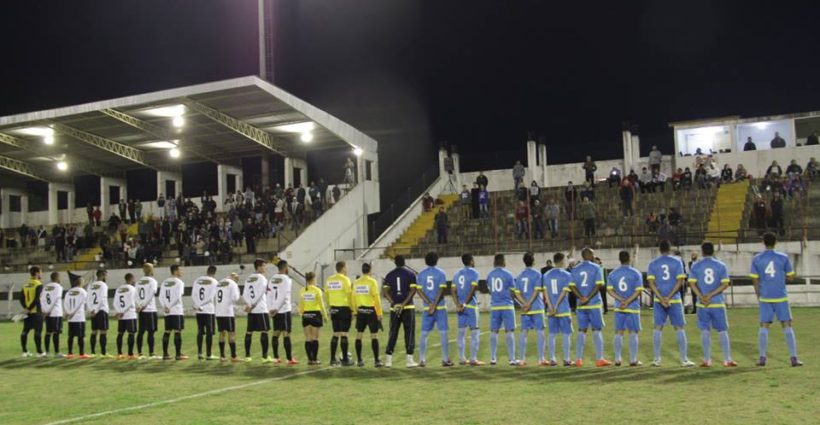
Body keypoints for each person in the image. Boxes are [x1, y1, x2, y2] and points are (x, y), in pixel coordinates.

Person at [750, 233, 802, 367]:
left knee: (764, 326)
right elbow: (791, 277)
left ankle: (762, 358)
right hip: (780, 296)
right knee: (786, 325)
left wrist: (758, 295)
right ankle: (793, 358)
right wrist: (780, 277)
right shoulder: (783, 257)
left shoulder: (757, 258)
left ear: (763, 242)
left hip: (765, 297)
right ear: (776, 242)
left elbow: (755, 279)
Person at [688, 242, 736, 367]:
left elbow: (692, 284)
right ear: (713, 251)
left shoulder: (696, 266)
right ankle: (727, 359)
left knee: (705, 330)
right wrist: (711, 295)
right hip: (717, 303)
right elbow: (725, 284)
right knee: (722, 330)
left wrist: (701, 296)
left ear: (702, 252)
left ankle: (706, 359)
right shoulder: (721, 265)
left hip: (702, 304)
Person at [646, 241, 694, 367]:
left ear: (659, 249)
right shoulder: (677, 261)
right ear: (670, 248)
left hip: (658, 300)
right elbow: (680, 281)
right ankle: (684, 359)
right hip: (675, 299)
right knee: (679, 328)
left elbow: (651, 284)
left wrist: (661, 297)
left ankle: (657, 359)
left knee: (657, 328)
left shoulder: (653, 263)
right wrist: (669, 297)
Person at [569, 247, 612, 367]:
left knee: (581, 330)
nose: (594, 256)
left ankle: (578, 359)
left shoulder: (575, 269)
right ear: (588, 255)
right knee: (596, 329)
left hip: (581, 305)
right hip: (594, 303)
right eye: (592, 254)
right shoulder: (596, 267)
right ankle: (599, 359)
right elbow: (599, 284)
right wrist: (588, 297)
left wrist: (581, 297)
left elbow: (572, 286)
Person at [606, 251, 644, 366]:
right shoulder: (636, 273)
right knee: (633, 332)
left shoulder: (613, 273)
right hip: (632, 307)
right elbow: (638, 290)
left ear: (619, 259)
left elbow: (609, 290)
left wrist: (620, 299)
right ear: (629, 259)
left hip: (619, 307)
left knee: (618, 332)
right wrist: (627, 301)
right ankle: (633, 360)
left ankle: (617, 359)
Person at [487, 254, 525, 366]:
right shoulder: (508, 274)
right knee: (509, 331)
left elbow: (490, 289)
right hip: (507, 306)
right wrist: (523, 303)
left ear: (494, 262)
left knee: (494, 331)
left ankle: (493, 358)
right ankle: (511, 359)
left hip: (495, 306)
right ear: (504, 262)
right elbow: (514, 291)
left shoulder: (490, 275)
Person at [416, 252, 452, 367]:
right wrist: (435, 305)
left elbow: (419, 291)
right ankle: (445, 359)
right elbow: (441, 291)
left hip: (427, 308)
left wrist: (429, 304)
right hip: (440, 307)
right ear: (436, 260)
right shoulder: (441, 273)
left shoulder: (421, 274)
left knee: (424, 334)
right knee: (443, 333)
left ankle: (421, 360)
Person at [382, 255, 419, 368]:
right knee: (409, 332)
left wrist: (394, 303)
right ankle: (409, 360)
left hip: (395, 309)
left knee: (393, 332)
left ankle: (388, 360)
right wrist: (403, 304)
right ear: (404, 262)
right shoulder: (410, 274)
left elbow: (385, 292)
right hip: (407, 308)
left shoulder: (389, 275)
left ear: (395, 263)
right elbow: (413, 291)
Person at [452, 253, 483, 366]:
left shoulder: (457, 274)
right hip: (470, 306)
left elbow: (453, 291)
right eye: (473, 260)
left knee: (461, 333)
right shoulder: (474, 273)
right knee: (475, 332)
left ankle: (461, 358)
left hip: (460, 308)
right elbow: (473, 288)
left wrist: (458, 305)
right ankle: (473, 359)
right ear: (470, 261)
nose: (474, 262)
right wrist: (465, 303)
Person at [516, 252, 546, 366]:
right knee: (540, 332)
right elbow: (537, 290)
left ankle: (522, 359)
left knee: (524, 333)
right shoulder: (537, 274)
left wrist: (524, 304)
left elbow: (517, 293)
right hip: (537, 307)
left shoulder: (519, 276)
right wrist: (529, 303)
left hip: (525, 309)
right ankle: (540, 359)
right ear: (533, 261)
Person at [543, 252, 573, 367]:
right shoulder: (566, 275)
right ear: (561, 261)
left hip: (551, 310)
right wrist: (556, 306)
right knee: (566, 334)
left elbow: (545, 292)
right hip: (563, 309)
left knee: (552, 334)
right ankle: (566, 359)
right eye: (565, 260)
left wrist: (550, 306)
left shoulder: (546, 275)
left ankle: (552, 359)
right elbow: (564, 292)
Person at [352, 263, 384, 367]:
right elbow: (377, 299)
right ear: (370, 270)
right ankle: (376, 361)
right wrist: (379, 313)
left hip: (361, 311)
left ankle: (360, 360)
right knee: (374, 335)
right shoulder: (372, 282)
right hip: (371, 311)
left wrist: (355, 311)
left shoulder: (356, 282)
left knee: (359, 335)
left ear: (362, 271)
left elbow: (353, 298)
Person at [325, 261, 354, 366]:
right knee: (344, 334)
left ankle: (332, 359)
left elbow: (327, 295)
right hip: (343, 308)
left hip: (333, 308)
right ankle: (345, 359)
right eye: (346, 267)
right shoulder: (345, 280)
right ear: (343, 268)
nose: (347, 269)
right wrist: (352, 309)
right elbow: (349, 296)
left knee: (335, 333)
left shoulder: (329, 280)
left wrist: (329, 307)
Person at [243, 259, 271, 362]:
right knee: (264, 331)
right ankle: (264, 357)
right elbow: (260, 293)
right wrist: (253, 304)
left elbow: (245, 293)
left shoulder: (249, 278)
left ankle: (247, 356)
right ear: (258, 267)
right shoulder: (262, 278)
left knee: (249, 332)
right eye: (264, 266)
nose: (265, 268)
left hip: (251, 310)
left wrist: (249, 304)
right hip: (260, 309)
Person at [268, 260, 296, 365]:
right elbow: (284, 296)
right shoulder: (286, 279)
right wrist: (277, 308)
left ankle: (276, 357)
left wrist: (271, 308)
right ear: (285, 268)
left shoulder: (272, 279)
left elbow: (269, 294)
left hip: (274, 310)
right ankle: (289, 359)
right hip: (283, 309)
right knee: (286, 333)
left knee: (276, 332)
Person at [160, 265, 187, 361]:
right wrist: (170, 306)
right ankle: (178, 354)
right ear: (175, 271)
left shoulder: (165, 282)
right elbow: (177, 297)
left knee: (167, 331)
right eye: (180, 270)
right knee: (177, 331)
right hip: (176, 310)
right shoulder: (179, 282)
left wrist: (165, 306)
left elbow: (160, 297)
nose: (182, 271)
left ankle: (165, 354)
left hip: (167, 311)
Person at [299, 272, 326, 365]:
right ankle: (315, 359)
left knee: (308, 338)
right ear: (313, 279)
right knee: (315, 338)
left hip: (306, 314)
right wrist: (325, 315)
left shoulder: (303, 290)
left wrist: (301, 313)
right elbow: (321, 304)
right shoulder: (317, 290)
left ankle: (309, 359)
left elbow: (301, 304)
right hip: (315, 314)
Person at [192, 265, 218, 360]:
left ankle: (199, 353)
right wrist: (201, 304)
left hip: (199, 310)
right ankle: (209, 354)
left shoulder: (198, 280)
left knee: (200, 331)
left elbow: (193, 294)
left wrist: (197, 304)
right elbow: (211, 297)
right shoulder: (214, 282)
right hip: (208, 310)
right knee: (209, 332)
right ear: (214, 273)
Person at [136, 263, 160, 360]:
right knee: (151, 332)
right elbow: (151, 294)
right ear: (151, 270)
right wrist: (143, 305)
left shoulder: (139, 282)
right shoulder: (152, 281)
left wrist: (139, 305)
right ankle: (151, 353)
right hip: (149, 309)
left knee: (141, 331)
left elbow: (135, 295)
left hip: (141, 310)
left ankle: (140, 353)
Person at [215, 272, 241, 362]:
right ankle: (233, 356)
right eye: (236, 278)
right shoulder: (233, 283)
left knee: (221, 333)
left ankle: (222, 356)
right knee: (231, 333)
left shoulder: (219, 283)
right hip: (227, 312)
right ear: (234, 277)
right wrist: (237, 288)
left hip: (218, 311)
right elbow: (235, 298)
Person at [64, 273, 89, 359]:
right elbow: (82, 303)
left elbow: (65, 303)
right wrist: (73, 313)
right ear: (81, 282)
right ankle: (81, 353)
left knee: (70, 336)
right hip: (79, 317)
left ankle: (70, 353)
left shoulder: (69, 292)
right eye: (83, 280)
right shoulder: (83, 292)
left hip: (70, 318)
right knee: (80, 336)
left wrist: (67, 313)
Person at [113, 273, 137, 359]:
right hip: (130, 314)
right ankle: (130, 354)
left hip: (121, 315)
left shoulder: (119, 288)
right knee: (131, 334)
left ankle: (119, 353)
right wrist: (123, 311)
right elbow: (131, 302)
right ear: (131, 279)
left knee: (120, 333)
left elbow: (115, 302)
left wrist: (118, 311)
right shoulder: (132, 289)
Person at [87, 269, 111, 358]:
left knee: (94, 331)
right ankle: (103, 352)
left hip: (93, 310)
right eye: (106, 275)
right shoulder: (103, 285)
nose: (107, 277)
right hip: (101, 310)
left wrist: (91, 310)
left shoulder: (91, 285)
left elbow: (88, 298)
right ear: (103, 275)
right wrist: (96, 310)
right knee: (103, 331)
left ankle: (93, 352)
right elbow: (101, 298)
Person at [40, 271, 65, 358]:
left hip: (47, 313)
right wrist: (49, 310)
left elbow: (42, 299)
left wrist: (44, 311)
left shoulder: (46, 287)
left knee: (48, 332)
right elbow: (55, 300)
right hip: (55, 312)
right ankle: (57, 352)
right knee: (56, 333)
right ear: (57, 278)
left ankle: (47, 352)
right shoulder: (58, 287)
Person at [20, 268, 44, 355]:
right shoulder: (38, 284)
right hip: (36, 312)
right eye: (41, 272)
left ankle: (24, 351)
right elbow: (37, 299)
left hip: (27, 313)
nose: (42, 274)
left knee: (25, 331)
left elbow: (21, 298)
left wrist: (26, 308)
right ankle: (39, 352)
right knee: (37, 332)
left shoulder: (25, 284)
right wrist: (30, 308)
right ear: (37, 273)